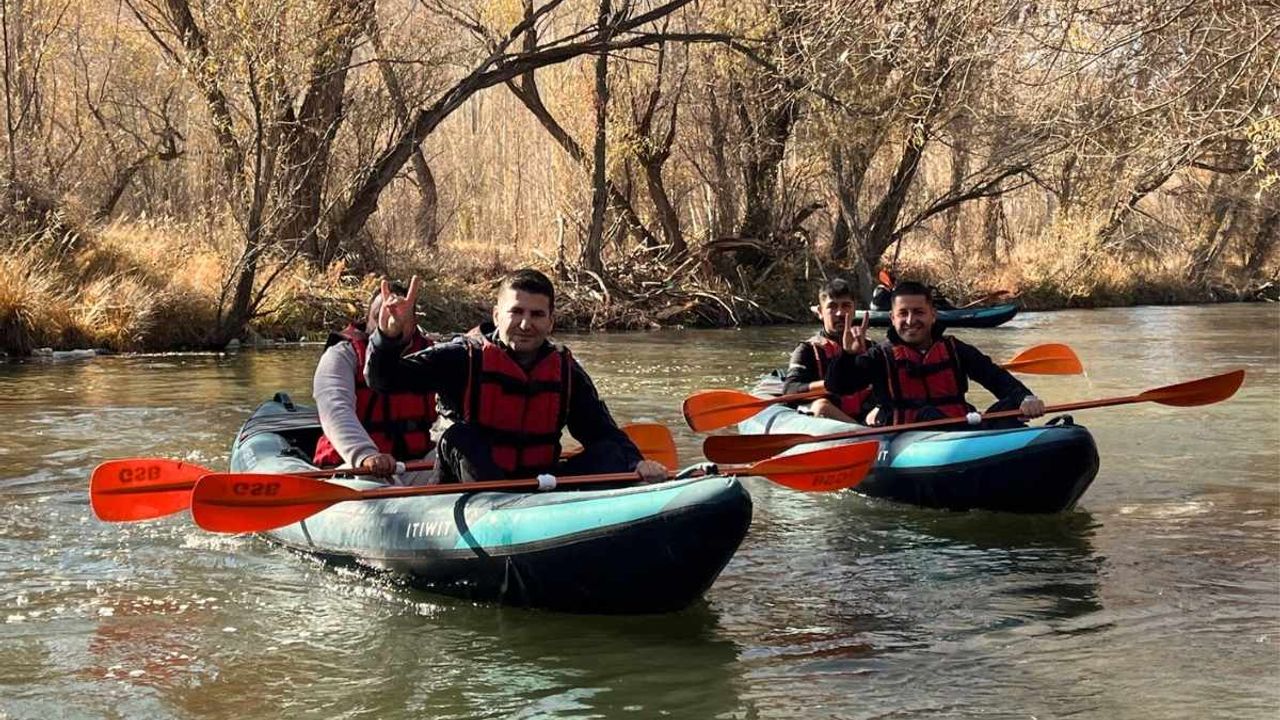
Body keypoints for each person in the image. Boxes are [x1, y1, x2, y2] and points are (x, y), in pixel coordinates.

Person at [366, 268, 668, 484]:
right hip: (469, 488)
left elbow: (602, 433)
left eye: (537, 315)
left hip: (537, 484)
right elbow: (384, 380)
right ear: (497, 316)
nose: (526, 324)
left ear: (551, 321)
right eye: (517, 312)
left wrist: (636, 463)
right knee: (460, 436)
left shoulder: (565, 371)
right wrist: (387, 336)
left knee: (611, 453)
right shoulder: (461, 357)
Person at [826, 280, 1045, 428]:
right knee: (929, 415)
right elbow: (838, 386)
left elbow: (996, 378)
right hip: (906, 437)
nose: (911, 321)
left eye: (919, 312)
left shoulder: (955, 349)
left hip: (959, 428)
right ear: (892, 318)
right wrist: (847, 355)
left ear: (933, 315)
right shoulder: (879, 356)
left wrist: (1024, 398)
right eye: (903, 314)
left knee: (1009, 409)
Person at [312, 283, 438, 484]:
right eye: (380, 314)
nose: (390, 319)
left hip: (415, 465)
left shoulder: (434, 354)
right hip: (356, 467)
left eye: (400, 314)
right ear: (368, 320)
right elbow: (335, 409)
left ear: (413, 322)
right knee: (367, 478)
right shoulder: (342, 355)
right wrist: (365, 455)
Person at [780, 277, 876, 424]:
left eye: (846, 306)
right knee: (821, 407)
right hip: (831, 417)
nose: (840, 313)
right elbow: (790, 389)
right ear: (820, 312)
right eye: (832, 307)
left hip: (866, 415)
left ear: (854, 310)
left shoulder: (871, 347)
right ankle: (864, 434)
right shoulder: (807, 350)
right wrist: (833, 384)